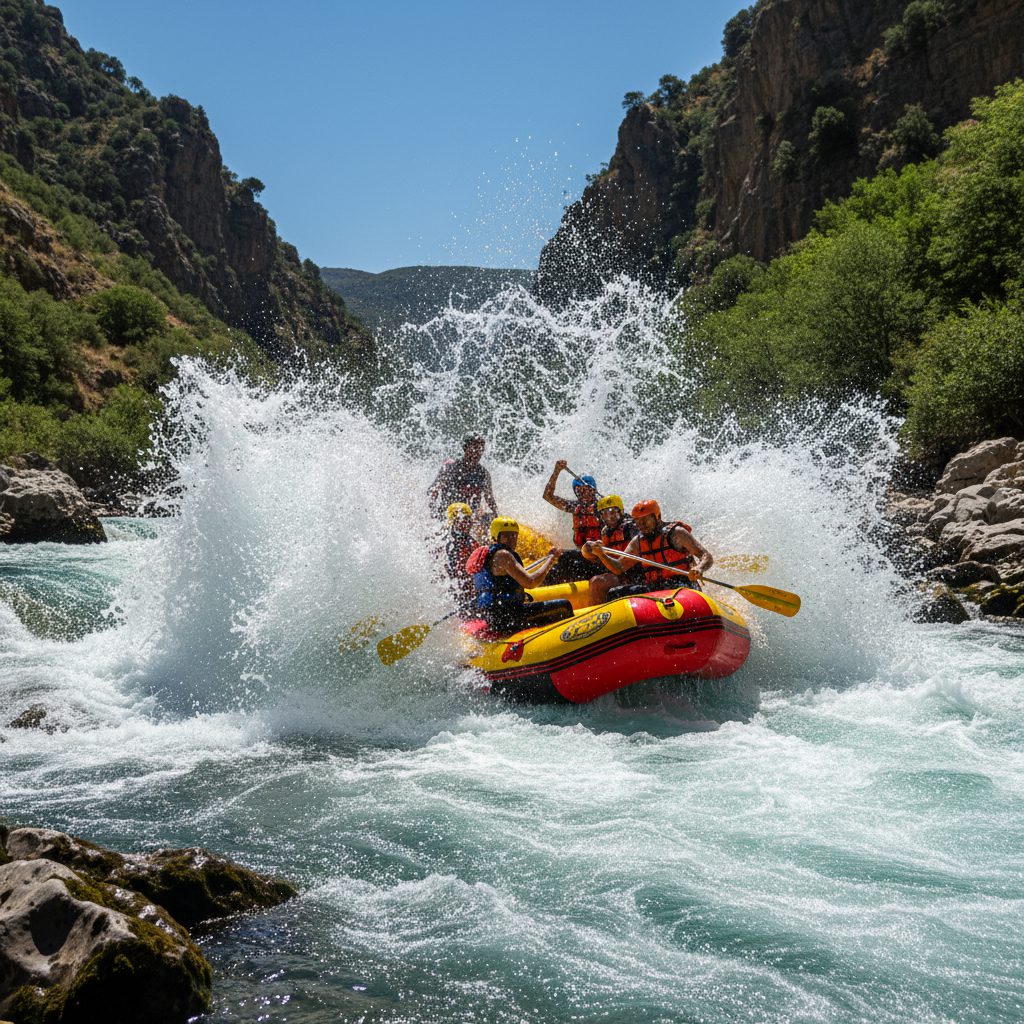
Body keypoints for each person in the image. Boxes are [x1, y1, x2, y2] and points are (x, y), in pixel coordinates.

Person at [465, 517, 573, 634]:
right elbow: (531, 582)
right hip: (507, 618)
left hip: (495, 616)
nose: (511, 540)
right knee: (564, 606)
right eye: (506, 536)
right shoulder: (503, 555)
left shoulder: (486, 555)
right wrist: (551, 558)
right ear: (496, 536)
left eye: (514, 536)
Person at [590, 499, 713, 598]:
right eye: (637, 521)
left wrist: (699, 568)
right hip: (655, 588)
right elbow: (619, 567)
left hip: (682, 585)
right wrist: (601, 555)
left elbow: (706, 556)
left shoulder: (677, 534)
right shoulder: (638, 542)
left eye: (645, 520)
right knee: (614, 594)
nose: (641, 525)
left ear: (657, 517)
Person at [542, 459, 601, 584]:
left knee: (566, 557)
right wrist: (556, 471)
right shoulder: (574, 507)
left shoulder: (602, 508)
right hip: (583, 556)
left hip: (601, 558)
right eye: (580, 491)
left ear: (594, 490)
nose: (584, 494)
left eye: (587, 490)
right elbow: (548, 496)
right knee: (560, 560)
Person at [580, 494, 641, 603]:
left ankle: (598, 614)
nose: (609, 517)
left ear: (620, 512)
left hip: (637, 574)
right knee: (594, 579)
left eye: (613, 512)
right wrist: (592, 550)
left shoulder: (631, 526)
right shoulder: (605, 531)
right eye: (605, 514)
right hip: (619, 572)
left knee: (597, 582)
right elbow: (607, 559)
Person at [428, 434, 499, 522]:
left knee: (489, 518)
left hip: (471, 519)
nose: (478, 452)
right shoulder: (450, 469)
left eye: (481, 449)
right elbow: (432, 491)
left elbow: (490, 499)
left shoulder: (483, 474)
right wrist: (434, 512)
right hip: (449, 516)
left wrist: (497, 515)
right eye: (475, 448)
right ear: (465, 448)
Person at [444, 503, 477, 613]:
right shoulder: (453, 545)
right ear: (455, 522)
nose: (470, 523)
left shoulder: (468, 540)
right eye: (465, 519)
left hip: (470, 592)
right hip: (463, 598)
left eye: (469, 519)